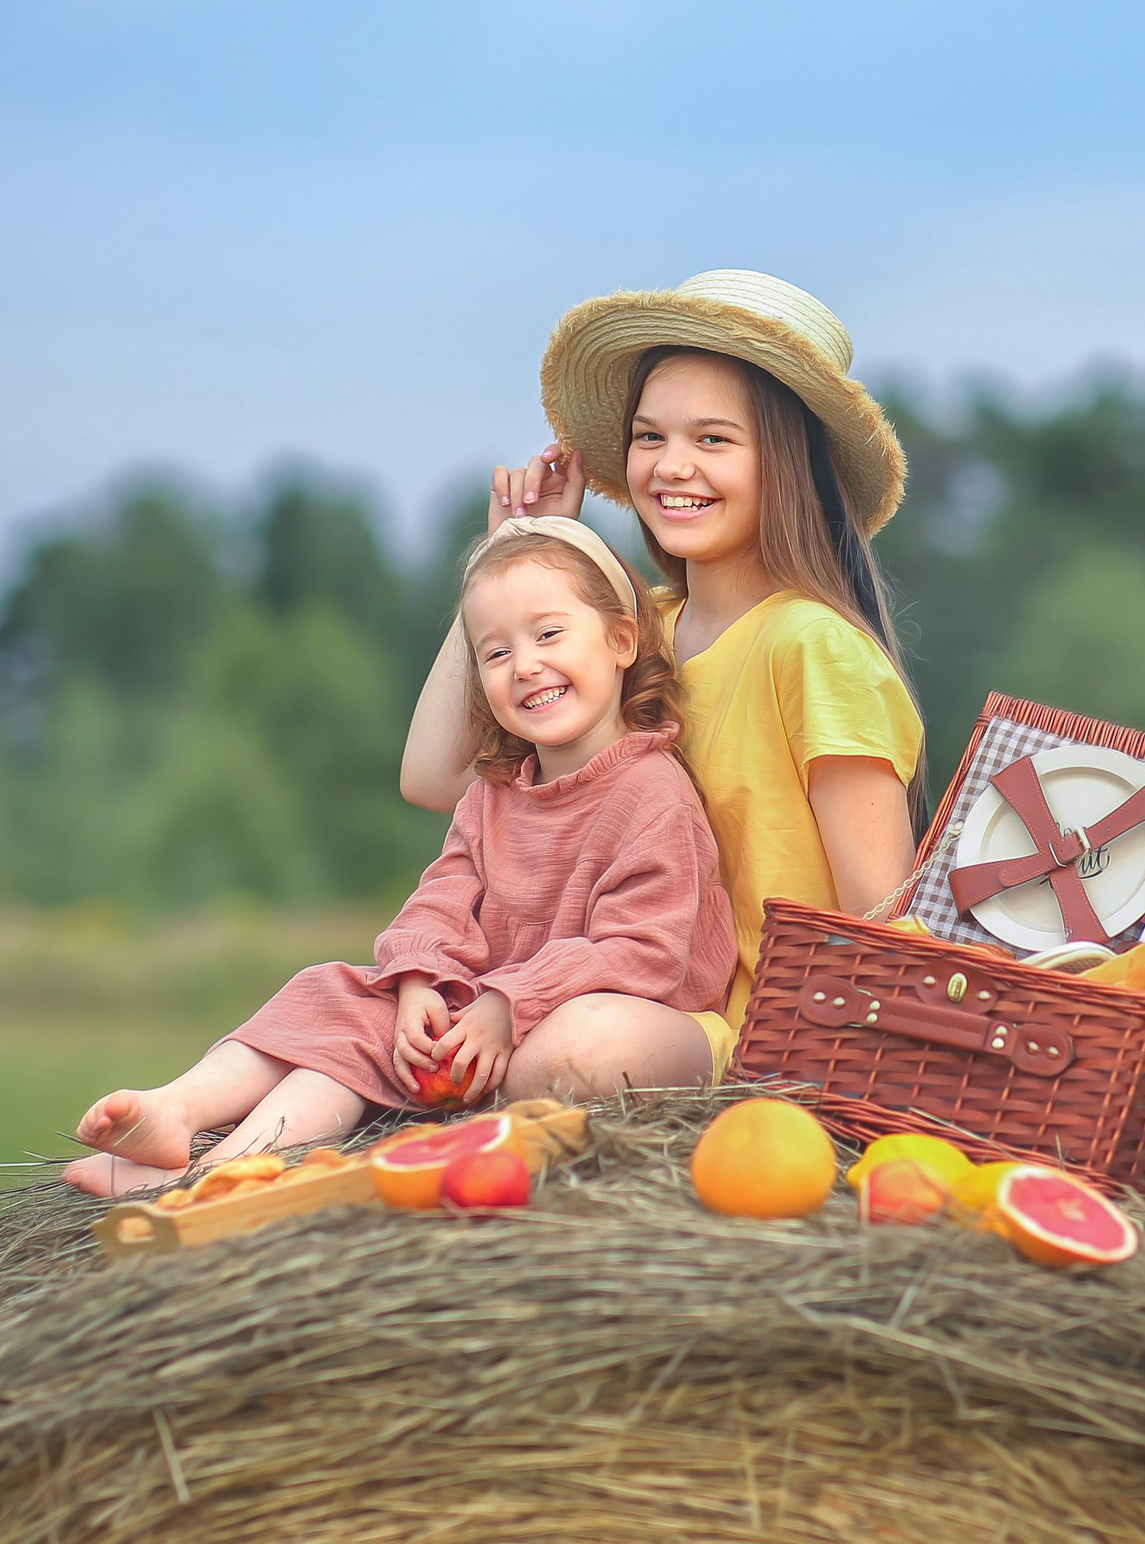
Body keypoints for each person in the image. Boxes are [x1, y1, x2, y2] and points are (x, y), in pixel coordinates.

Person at [65, 517, 736, 1197]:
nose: (525, 665)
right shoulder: (494, 793)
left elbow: (642, 952)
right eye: (496, 653)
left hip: (625, 1022)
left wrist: (510, 1004)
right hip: (486, 1013)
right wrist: (418, 980)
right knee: (335, 996)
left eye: (548, 634)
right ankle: (195, 1140)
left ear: (621, 640)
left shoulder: (652, 794)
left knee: (567, 1049)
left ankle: (231, 1169)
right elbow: (442, 899)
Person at [401, 270, 926, 1093]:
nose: (672, 466)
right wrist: (512, 565)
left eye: (713, 439)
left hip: (755, 1044)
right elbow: (434, 778)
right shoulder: (635, 631)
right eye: (650, 437)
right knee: (392, 1015)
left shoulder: (814, 646)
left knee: (573, 1047)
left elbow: (881, 913)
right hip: (621, 994)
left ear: (786, 462)